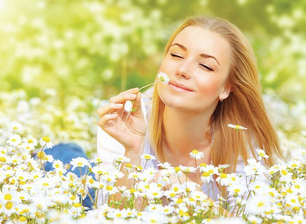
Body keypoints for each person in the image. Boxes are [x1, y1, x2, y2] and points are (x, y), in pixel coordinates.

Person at [96, 15, 283, 206]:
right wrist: (132, 151)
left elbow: (254, 219)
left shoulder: (244, 142)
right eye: (176, 55)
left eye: (205, 66)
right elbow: (113, 215)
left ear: (227, 88)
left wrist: (191, 197)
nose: (182, 69)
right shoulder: (126, 120)